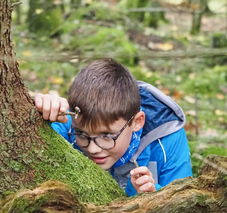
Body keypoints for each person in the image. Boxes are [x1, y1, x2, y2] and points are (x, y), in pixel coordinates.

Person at [34, 59, 192, 196]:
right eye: (82, 134)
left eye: (107, 136)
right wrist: (38, 108)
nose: (93, 149)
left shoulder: (166, 137)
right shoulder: (71, 119)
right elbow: (30, 137)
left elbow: (185, 205)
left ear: (137, 122)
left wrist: (153, 195)